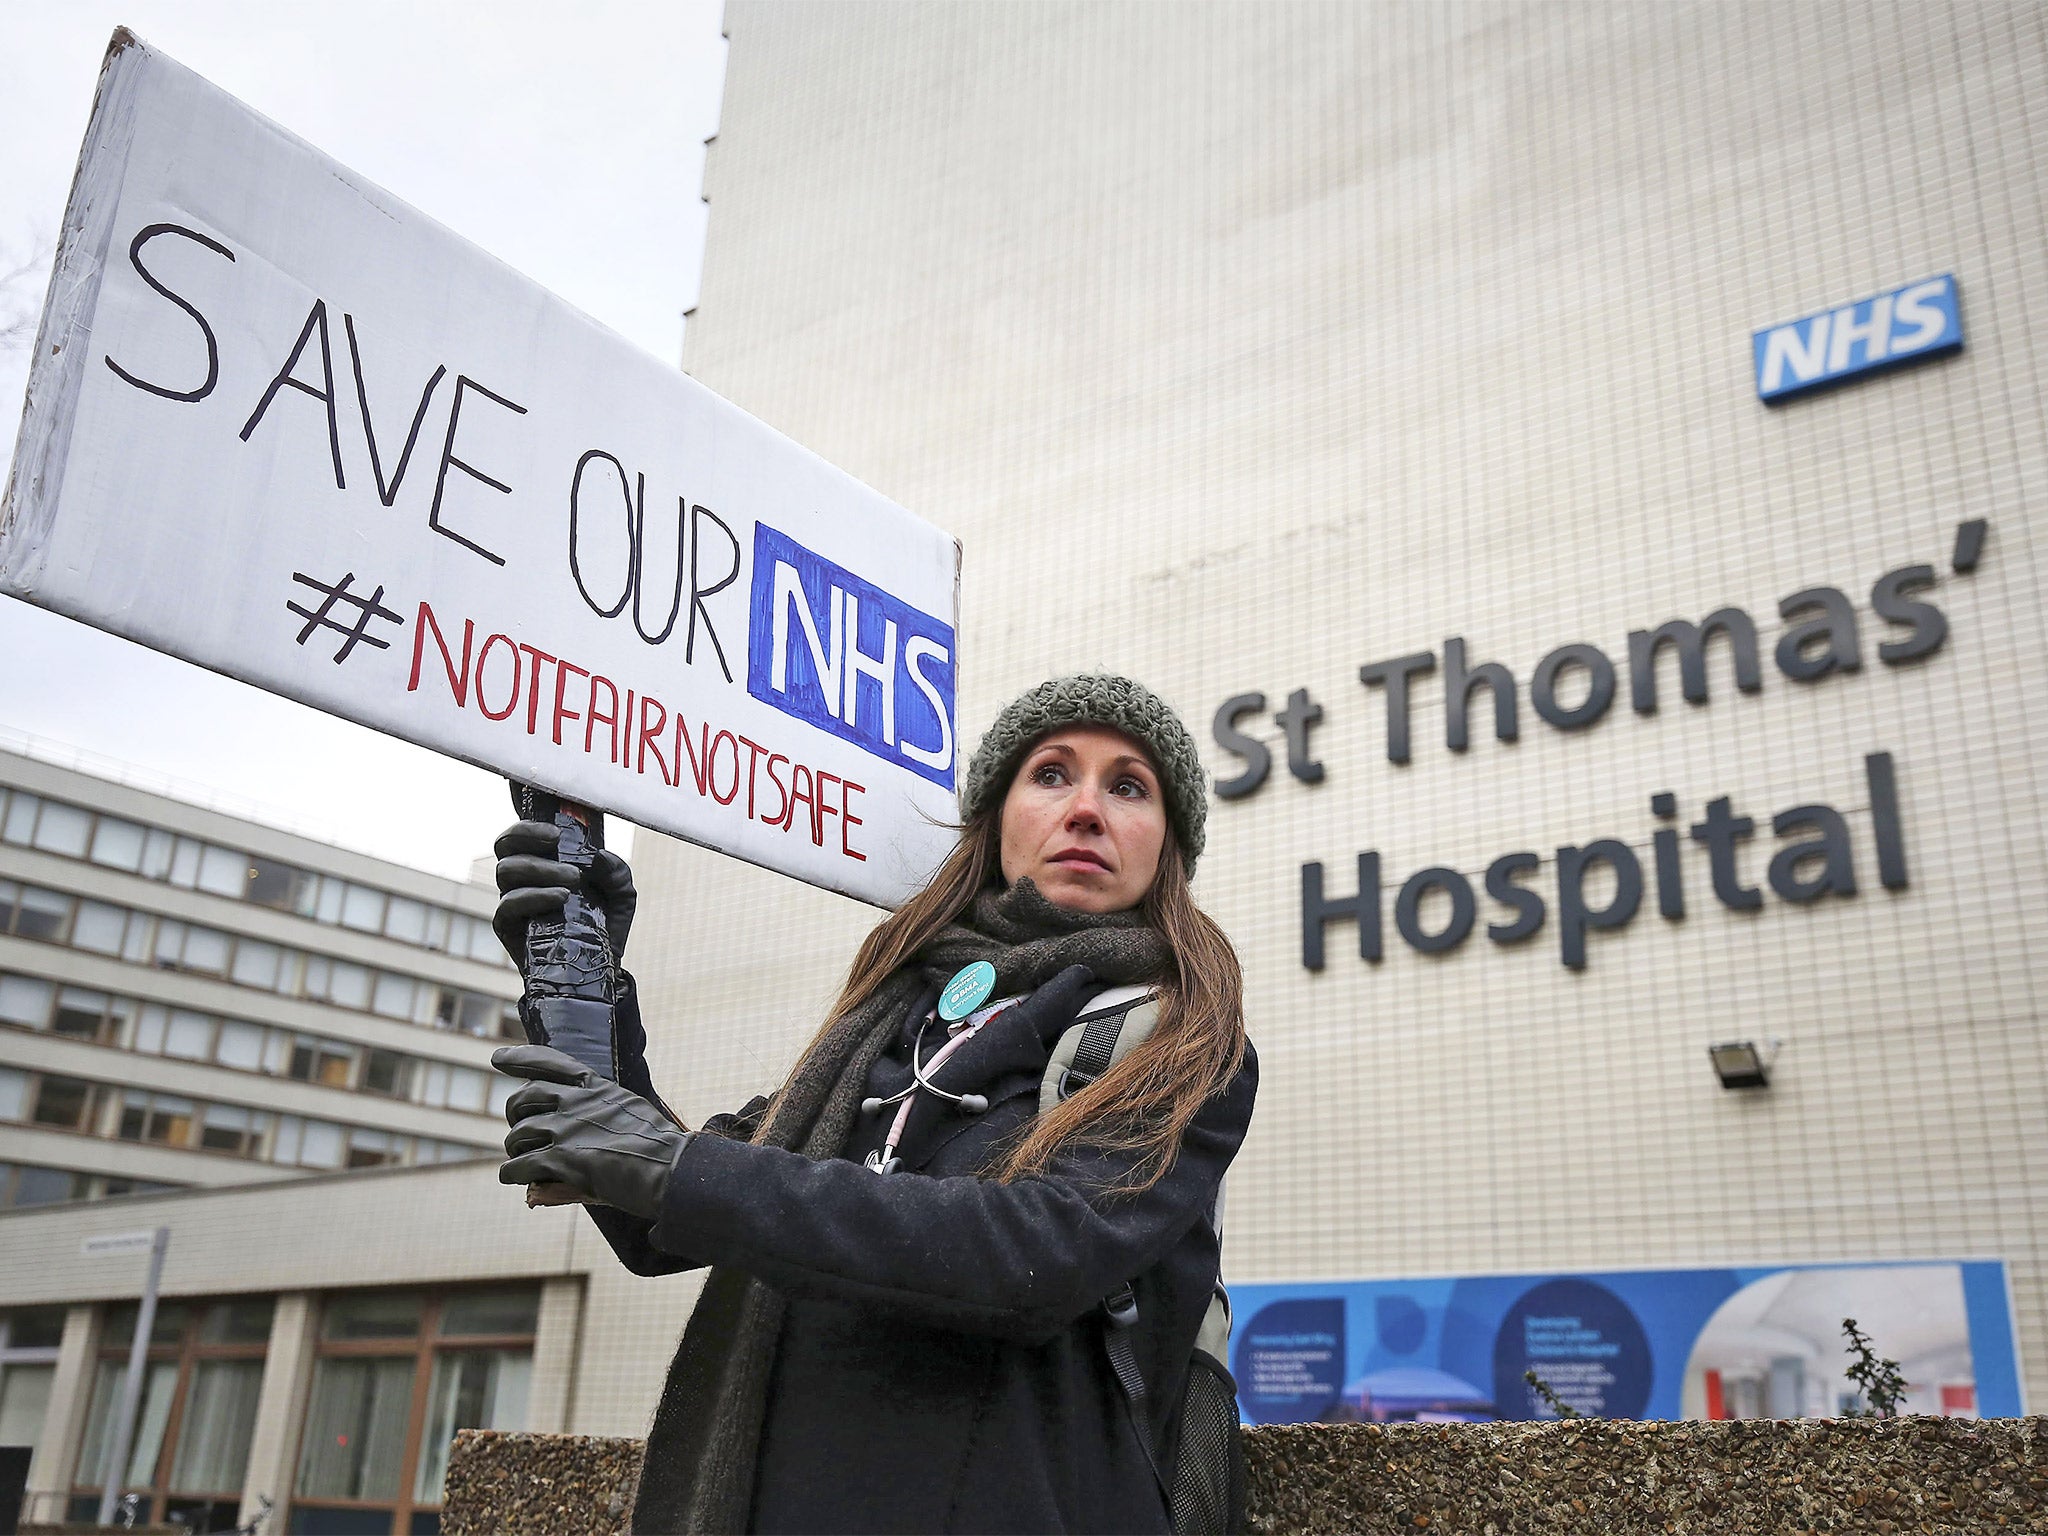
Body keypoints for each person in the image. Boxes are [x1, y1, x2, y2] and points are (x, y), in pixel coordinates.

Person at [490, 675, 1258, 1535]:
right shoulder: (885, 1021)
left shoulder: (1179, 1037)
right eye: (1050, 774)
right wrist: (579, 977)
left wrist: (679, 1172)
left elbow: (1042, 1252)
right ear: (996, 820)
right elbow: (659, 1215)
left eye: (1128, 786)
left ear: (1169, 847)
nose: (1085, 809)